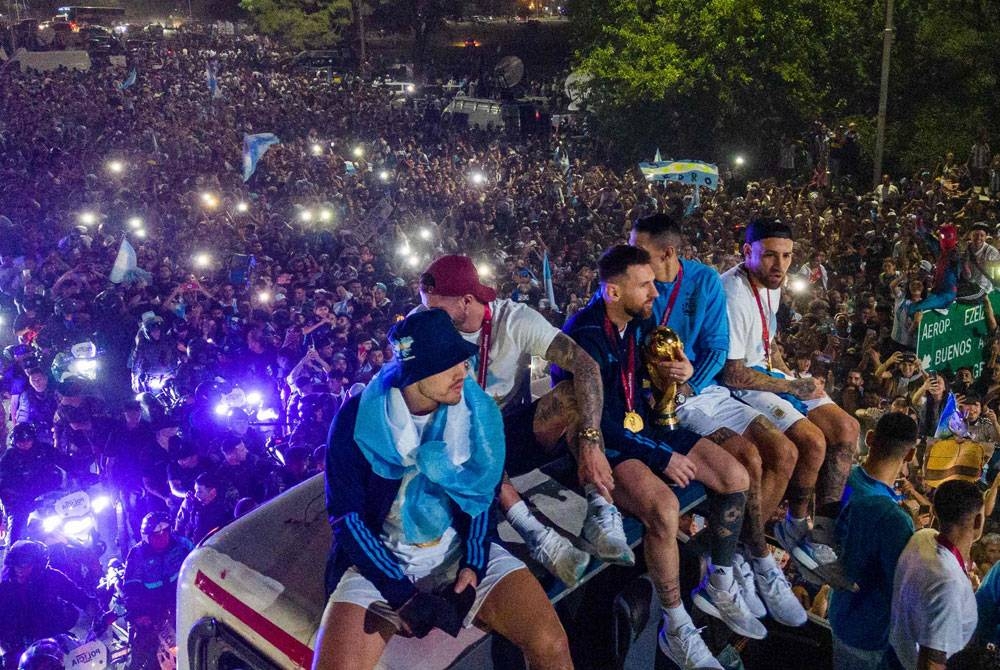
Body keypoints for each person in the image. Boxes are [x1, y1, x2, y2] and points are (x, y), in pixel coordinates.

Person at [314, 309, 572, 670]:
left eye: (463, 360)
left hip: (455, 549)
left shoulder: (474, 408)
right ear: (415, 372)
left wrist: (474, 563)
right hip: (384, 559)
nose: (463, 372)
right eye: (449, 364)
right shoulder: (358, 418)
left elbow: (482, 492)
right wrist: (401, 594)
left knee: (552, 643)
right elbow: (346, 516)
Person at [559, 245, 760, 669]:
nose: (656, 291)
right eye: (645, 285)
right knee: (665, 510)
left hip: (645, 429)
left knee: (735, 477)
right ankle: (676, 624)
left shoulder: (636, 324)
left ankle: (718, 581)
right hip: (610, 443)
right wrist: (661, 456)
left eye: (655, 282)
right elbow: (596, 421)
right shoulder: (585, 335)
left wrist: (680, 376)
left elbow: (645, 392)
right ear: (613, 292)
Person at [630, 213, 806, 627]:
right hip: (667, 403)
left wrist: (689, 383)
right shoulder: (637, 287)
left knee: (783, 450)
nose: (634, 260)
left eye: (643, 253)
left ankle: (739, 554)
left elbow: (716, 348)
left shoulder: (704, 281)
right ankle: (748, 561)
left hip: (703, 388)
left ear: (668, 253)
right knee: (748, 458)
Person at [420, 255, 630, 587]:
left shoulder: (514, 319)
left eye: (436, 309)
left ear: (467, 301)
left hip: (512, 427)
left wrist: (590, 440)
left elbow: (586, 366)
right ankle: (536, 535)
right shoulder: (425, 328)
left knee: (570, 396)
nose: (428, 316)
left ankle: (600, 508)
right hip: (461, 436)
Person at [720, 218, 860, 585]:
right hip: (744, 384)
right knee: (812, 442)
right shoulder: (733, 294)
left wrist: (794, 378)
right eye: (769, 256)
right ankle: (793, 525)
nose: (780, 266)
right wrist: (787, 389)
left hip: (771, 375)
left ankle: (823, 530)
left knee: (848, 428)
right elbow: (733, 373)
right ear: (746, 252)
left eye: (786, 256)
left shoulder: (772, 284)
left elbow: (769, 345)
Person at [828, 412, 919, 670]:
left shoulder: (842, 479)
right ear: (910, 454)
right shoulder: (894, 518)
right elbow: (902, 593)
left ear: (869, 438)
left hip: (839, 616)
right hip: (868, 637)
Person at [888, 479, 984, 670]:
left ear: (934, 512)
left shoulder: (922, 537)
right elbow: (932, 662)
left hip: (897, 650)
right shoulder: (948, 583)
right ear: (978, 520)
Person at [0, 540, 95, 670]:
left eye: (24, 564)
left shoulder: (52, 577)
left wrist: (101, 618)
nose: (19, 569)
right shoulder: (4, 587)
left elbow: (83, 600)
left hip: (55, 643)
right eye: (15, 564)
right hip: (18, 647)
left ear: (38, 563)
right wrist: (5, 653)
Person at [123, 512, 194, 670]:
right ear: (147, 536)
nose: (162, 537)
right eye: (156, 534)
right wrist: (139, 615)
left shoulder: (182, 545)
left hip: (180, 601)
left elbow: (196, 563)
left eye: (165, 532)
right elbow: (131, 588)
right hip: (151, 608)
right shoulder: (138, 555)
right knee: (141, 650)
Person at [0, 423, 64, 543]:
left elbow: (67, 463)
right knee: (16, 538)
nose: (24, 444)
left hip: (51, 497)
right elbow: (3, 484)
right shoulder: (9, 458)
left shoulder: (45, 450)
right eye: (20, 441)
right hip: (22, 503)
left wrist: (84, 475)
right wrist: (14, 503)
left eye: (27, 440)